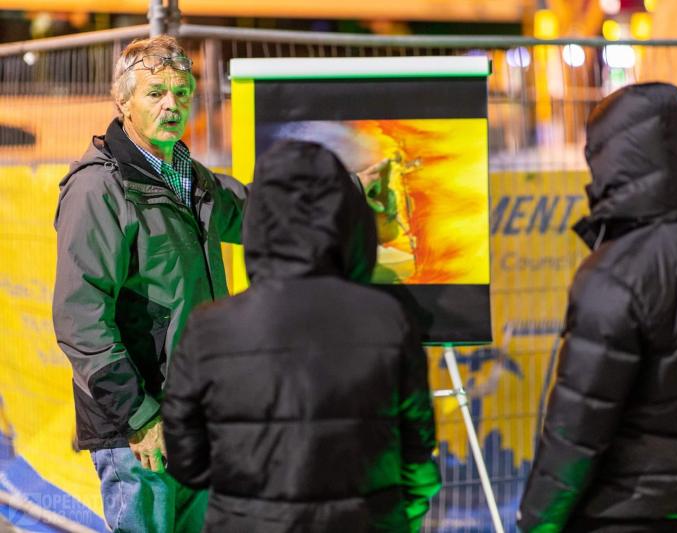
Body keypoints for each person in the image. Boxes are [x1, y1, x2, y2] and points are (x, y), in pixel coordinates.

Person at [51, 35, 384, 532]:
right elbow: (80, 319)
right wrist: (140, 418)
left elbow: (260, 211)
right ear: (123, 102)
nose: (172, 105)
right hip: (139, 427)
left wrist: (352, 190)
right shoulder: (100, 187)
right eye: (156, 93)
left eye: (182, 93)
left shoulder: (186, 175)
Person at [517, 82, 677, 533]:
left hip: (613, 516)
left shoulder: (615, 275)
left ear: (612, 159)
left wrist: (535, 521)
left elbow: (576, 431)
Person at [161, 140, 442, 533]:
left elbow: (186, 458)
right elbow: (417, 452)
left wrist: (243, 497)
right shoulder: (388, 322)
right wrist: (400, 514)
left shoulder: (210, 327)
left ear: (258, 223)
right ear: (350, 222)